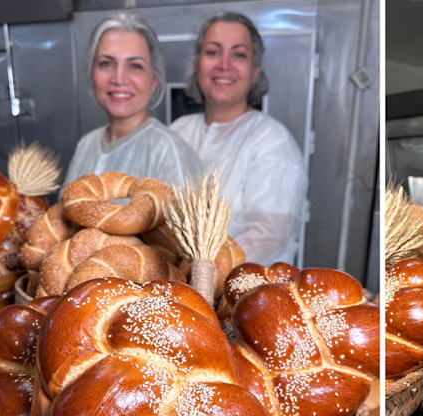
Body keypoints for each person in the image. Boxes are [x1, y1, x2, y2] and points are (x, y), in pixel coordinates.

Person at [171, 12, 307, 266]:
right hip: (174, 283)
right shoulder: (178, 130)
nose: (224, 64)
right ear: (197, 66)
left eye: (239, 54)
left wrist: (198, 272)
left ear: (254, 72)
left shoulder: (272, 140)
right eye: (213, 52)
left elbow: (268, 236)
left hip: (244, 288)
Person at [64, 13, 203, 189]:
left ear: (154, 80)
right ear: (92, 74)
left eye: (135, 66)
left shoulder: (170, 153)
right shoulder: (86, 144)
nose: (119, 79)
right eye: (106, 63)